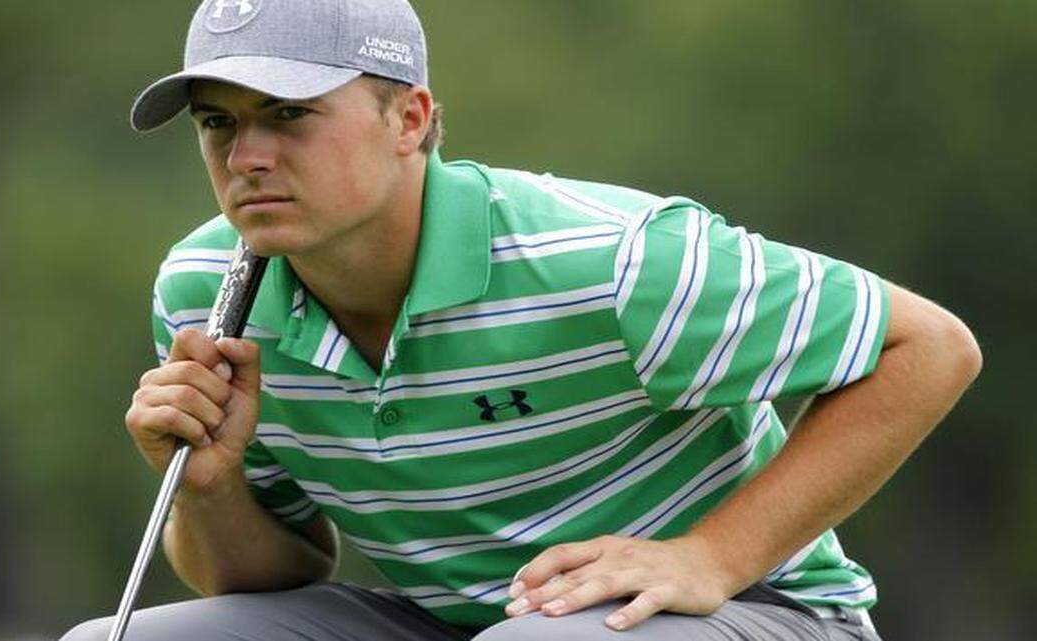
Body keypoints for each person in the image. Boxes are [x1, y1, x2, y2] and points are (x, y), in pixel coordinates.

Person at [62, 1, 982, 639]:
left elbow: (930, 347)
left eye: (289, 114)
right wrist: (210, 487)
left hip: (761, 612)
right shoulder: (204, 291)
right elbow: (266, 577)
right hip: (459, 622)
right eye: (218, 124)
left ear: (409, 119)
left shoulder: (615, 258)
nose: (246, 157)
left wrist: (712, 555)